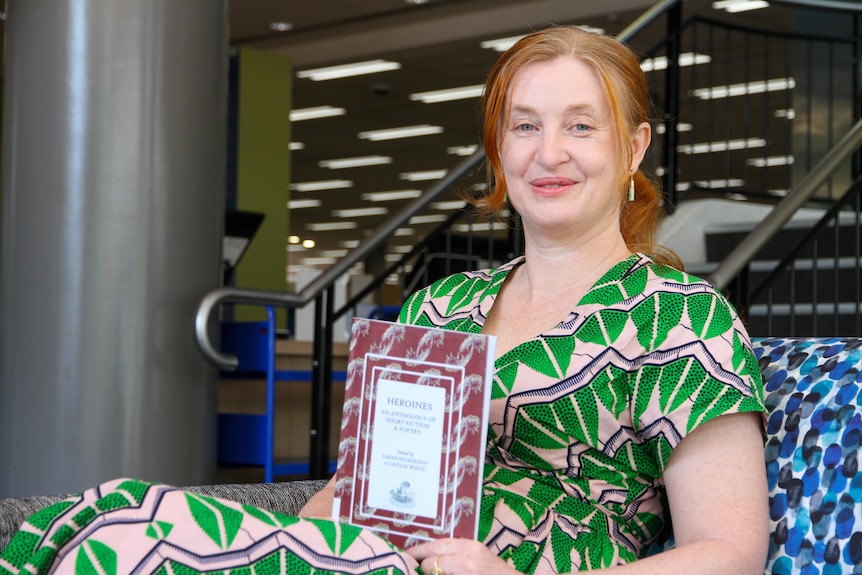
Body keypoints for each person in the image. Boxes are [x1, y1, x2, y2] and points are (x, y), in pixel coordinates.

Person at [0, 26, 768, 575]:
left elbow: (730, 549)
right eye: (524, 125)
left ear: (633, 147)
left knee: (134, 549)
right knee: (112, 508)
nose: (549, 152)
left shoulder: (680, 318)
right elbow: (354, 490)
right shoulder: (442, 306)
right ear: (501, 149)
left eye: (581, 126)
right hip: (370, 554)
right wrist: (296, 539)